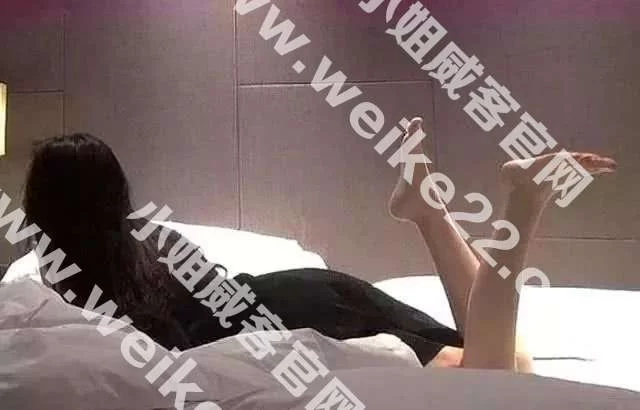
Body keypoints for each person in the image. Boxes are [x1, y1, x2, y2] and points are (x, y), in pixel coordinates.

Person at [20, 120, 616, 372]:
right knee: (507, 358)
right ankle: (427, 212)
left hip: (291, 325)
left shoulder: (71, 293)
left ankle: (522, 203)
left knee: (496, 370)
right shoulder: (151, 241)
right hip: (304, 291)